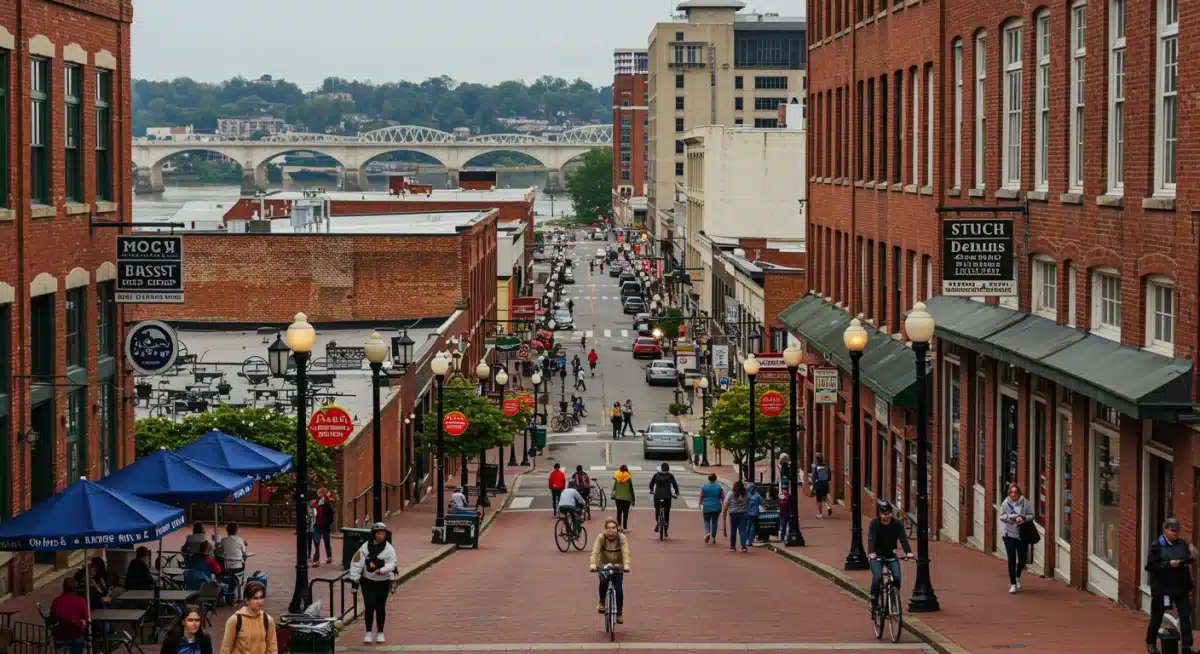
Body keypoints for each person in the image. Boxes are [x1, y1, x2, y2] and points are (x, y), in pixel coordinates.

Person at [1145, 518, 1194, 654]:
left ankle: (1186, 646)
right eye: (1172, 531)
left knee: (1185, 615)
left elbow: (1189, 558)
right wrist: (1167, 564)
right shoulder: (1157, 546)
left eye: (1177, 531)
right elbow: (1150, 566)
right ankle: (1151, 643)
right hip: (1163, 587)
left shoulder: (1182, 544)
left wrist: (1189, 557)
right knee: (1157, 616)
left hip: (1180, 586)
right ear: (1165, 530)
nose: (1175, 534)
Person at [349, 522, 398, 644]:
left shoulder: (389, 549)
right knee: (369, 606)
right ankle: (368, 632)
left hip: (383, 582)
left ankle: (380, 632)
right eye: (378, 533)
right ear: (374, 534)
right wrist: (354, 578)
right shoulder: (365, 548)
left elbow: (393, 564)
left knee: (380, 607)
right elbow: (356, 562)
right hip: (368, 581)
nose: (381, 536)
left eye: (383, 533)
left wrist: (383, 570)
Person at [867, 501, 914, 614]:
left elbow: (903, 539)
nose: (886, 516)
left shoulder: (897, 524)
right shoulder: (874, 523)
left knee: (897, 577)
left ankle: (893, 598)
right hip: (877, 556)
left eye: (888, 513)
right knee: (878, 577)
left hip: (890, 555)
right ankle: (874, 601)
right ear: (880, 514)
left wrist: (908, 552)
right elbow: (871, 538)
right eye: (883, 514)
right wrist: (871, 552)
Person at [589, 518, 632, 624]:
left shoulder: (621, 538)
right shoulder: (601, 537)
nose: (611, 530)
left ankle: (619, 613)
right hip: (604, 564)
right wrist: (593, 564)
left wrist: (626, 565)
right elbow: (595, 551)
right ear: (605, 529)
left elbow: (625, 552)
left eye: (613, 528)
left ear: (617, 529)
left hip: (618, 565)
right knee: (603, 582)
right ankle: (602, 602)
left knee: (618, 589)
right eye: (608, 528)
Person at [219, 580, 277, 654]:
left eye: (261, 597)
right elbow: (225, 649)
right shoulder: (235, 620)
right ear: (247, 600)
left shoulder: (268, 620)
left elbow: (272, 648)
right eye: (255, 598)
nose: (259, 602)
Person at [999, 482, 1035, 593]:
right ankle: (1013, 583)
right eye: (1011, 492)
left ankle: (1018, 575)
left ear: (1019, 493)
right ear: (1009, 493)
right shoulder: (1006, 503)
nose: (1013, 494)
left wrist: (1023, 518)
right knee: (1011, 559)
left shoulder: (1026, 503)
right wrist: (1014, 517)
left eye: (1015, 492)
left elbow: (1032, 515)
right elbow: (1002, 516)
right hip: (1009, 535)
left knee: (1022, 558)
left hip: (1022, 535)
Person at [49, 577, 89, 654]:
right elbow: (86, 618)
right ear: (75, 589)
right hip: (76, 636)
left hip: (60, 636)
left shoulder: (57, 601)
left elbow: (52, 618)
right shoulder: (81, 601)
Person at [648, 462, 680, 536]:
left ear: (661, 468)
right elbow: (675, 484)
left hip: (658, 495)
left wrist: (651, 490)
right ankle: (665, 531)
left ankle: (658, 521)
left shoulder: (656, 475)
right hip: (667, 496)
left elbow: (651, 484)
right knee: (666, 513)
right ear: (668, 469)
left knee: (657, 509)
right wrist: (676, 492)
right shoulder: (670, 476)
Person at [723, 481, 751, 552]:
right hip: (743, 513)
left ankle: (732, 546)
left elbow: (726, 506)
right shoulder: (746, 494)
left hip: (733, 514)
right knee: (742, 531)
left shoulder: (730, 494)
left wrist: (724, 513)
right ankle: (743, 547)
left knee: (733, 530)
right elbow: (749, 501)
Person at [699, 473, 724, 544]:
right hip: (716, 506)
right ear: (715, 479)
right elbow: (723, 497)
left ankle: (707, 532)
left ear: (708, 479)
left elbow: (701, 496)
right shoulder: (719, 487)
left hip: (706, 506)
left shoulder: (704, 486)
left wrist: (700, 504)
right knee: (714, 522)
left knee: (706, 521)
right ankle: (713, 537)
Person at [313, 489, 335, 566]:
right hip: (317, 525)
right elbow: (314, 510)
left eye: (318, 493)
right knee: (316, 542)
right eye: (317, 493)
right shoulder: (316, 501)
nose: (317, 494)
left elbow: (332, 513)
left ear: (322, 493)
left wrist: (327, 522)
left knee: (327, 542)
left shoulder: (327, 502)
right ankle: (316, 560)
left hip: (325, 526)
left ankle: (329, 557)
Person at [611, 465, 635, 532]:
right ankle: (625, 528)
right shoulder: (628, 477)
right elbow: (631, 488)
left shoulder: (617, 475)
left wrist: (613, 494)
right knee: (625, 513)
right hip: (626, 498)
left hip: (618, 497)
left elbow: (615, 486)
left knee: (619, 512)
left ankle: (618, 526)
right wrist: (633, 499)